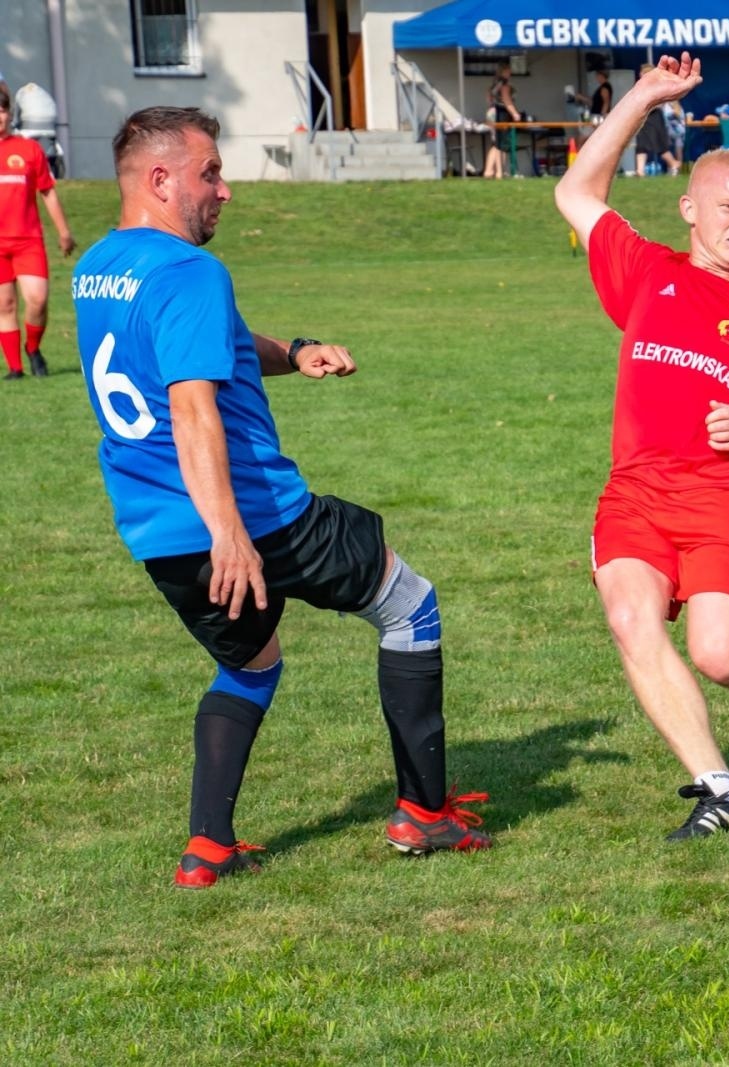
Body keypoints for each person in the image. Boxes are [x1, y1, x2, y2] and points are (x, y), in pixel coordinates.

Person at [72, 107, 491, 887]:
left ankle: (208, 847)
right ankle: (425, 814)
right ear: (159, 180)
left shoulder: (98, 266)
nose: (225, 190)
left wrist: (294, 352)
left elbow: (215, 342)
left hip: (159, 535)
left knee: (253, 666)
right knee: (411, 606)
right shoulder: (189, 270)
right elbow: (194, 406)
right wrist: (230, 531)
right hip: (258, 520)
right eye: (210, 173)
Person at [552, 54, 729, 840]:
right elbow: (574, 191)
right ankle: (722, 787)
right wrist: (642, 96)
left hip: (721, 501)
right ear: (690, 209)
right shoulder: (648, 272)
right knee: (630, 620)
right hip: (636, 494)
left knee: (720, 655)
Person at [0, 83, 74, 380]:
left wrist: (64, 232)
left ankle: (33, 348)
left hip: (28, 241)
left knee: (38, 300)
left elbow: (48, 193)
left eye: (2, 111)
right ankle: (15, 368)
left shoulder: (29, 149)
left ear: (9, 115)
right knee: (5, 305)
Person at [635, 66, 681, 176]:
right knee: (641, 143)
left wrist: (648, 106)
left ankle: (673, 163)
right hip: (644, 117)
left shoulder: (657, 86)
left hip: (654, 118)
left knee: (659, 144)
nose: (641, 74)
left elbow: (661, 103)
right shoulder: (641, 86)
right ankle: (640, 171)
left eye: (643, 73)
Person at [484, 61, 524, 180]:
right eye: (508, 70)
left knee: (495, 142)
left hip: (492, 111)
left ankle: (489, 170)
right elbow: (507, 100)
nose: (510, 73)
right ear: (503, 71)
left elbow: (488, 96)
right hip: (500, 113)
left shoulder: (495, 83)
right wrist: (515, 113)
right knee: (501, 143)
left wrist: (492, 105)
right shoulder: (504, 84)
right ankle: (499, 172)